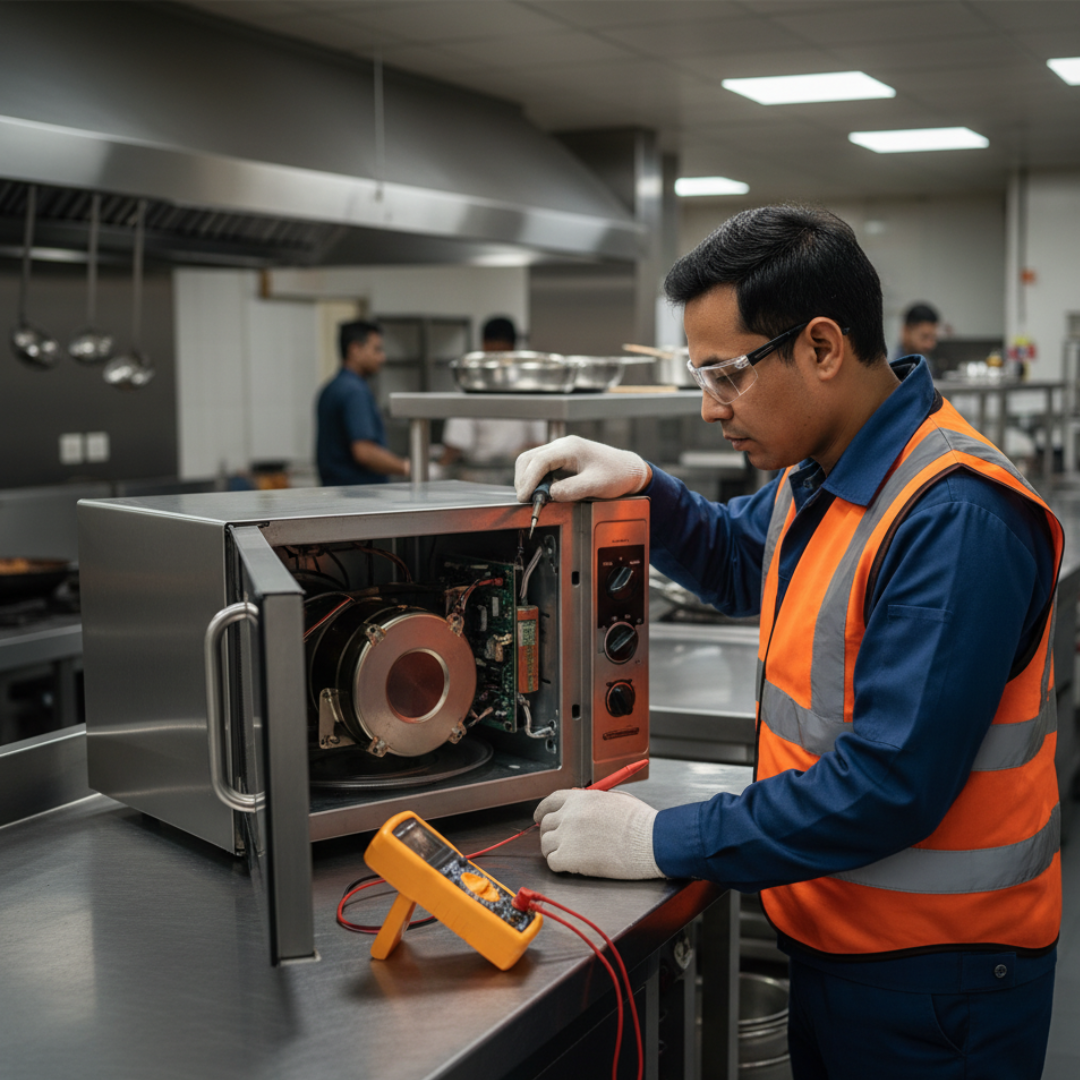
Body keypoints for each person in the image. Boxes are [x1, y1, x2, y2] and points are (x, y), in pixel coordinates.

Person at [516, 206, 1062, 1079]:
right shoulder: (826, 476)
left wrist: (657, 840)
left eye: (727, 375)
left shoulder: (954, 513)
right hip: (843, 942)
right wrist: (644, 487)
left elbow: (890, 784)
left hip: (936, 982)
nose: (709, 408)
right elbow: (741, 558)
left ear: (820, 347)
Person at [440, 316, 546, 474]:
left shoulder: (529, 389)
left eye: (501, 354)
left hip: (519, 471)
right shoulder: (470, 389)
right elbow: (455, 446)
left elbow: (541, 442)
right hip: (478, 473)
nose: (497, 364)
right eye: (492, 355)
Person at [315, 319, 408, 486]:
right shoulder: (354, 392)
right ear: (355, 349)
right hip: (358, 496)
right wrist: (408, 467)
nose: (382, 357)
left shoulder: (332, 387)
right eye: (376, 349)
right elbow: (364, 452)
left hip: (336, 493)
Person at [890, 301, 940, 367]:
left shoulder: (927, 363)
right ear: (906, 331)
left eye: (933, 338)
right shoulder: (886, 365)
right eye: (924, 337)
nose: (929, 345)